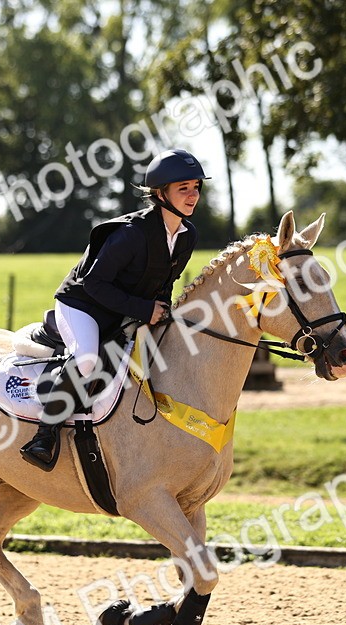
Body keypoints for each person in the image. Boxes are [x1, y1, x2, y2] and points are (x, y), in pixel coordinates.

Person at [19, 148, 209, 471]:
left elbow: (164, 282)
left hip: (123, 309)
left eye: (196, 187)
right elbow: (94, 285)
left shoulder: (187, 235)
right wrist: (143, 309)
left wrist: (161, 312)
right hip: (82, 304)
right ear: (161, 193)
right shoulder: (131, 235)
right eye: (183, 188)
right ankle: (44, 436)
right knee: (88, 360)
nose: (193, 195)